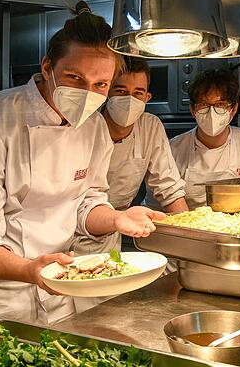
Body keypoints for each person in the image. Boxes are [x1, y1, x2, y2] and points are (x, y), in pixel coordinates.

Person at [0, 2, 165, 327]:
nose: (87, 94)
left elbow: (86, 203)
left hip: (62, 285)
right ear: (47, 66)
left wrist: (118, 218)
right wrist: (29, 270)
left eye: (100, 85)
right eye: (74, 78)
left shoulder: (94, 127)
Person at [71, 57, 188, 255]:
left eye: (137, 93)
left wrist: (193, 234)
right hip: (68, 231)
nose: (129, 99)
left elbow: (169, 188)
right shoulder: (84, 125)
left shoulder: (150, 126)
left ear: (147, 97)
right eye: (121, 91)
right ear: (106, 92)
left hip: (112, 231)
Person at [160, 68, 240, 209]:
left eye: (220, 105)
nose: (212, 113)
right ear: (192, 110)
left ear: (233, 109)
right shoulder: (173, 150)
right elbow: (158, 207)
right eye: (203, 105)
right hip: (188, 228)